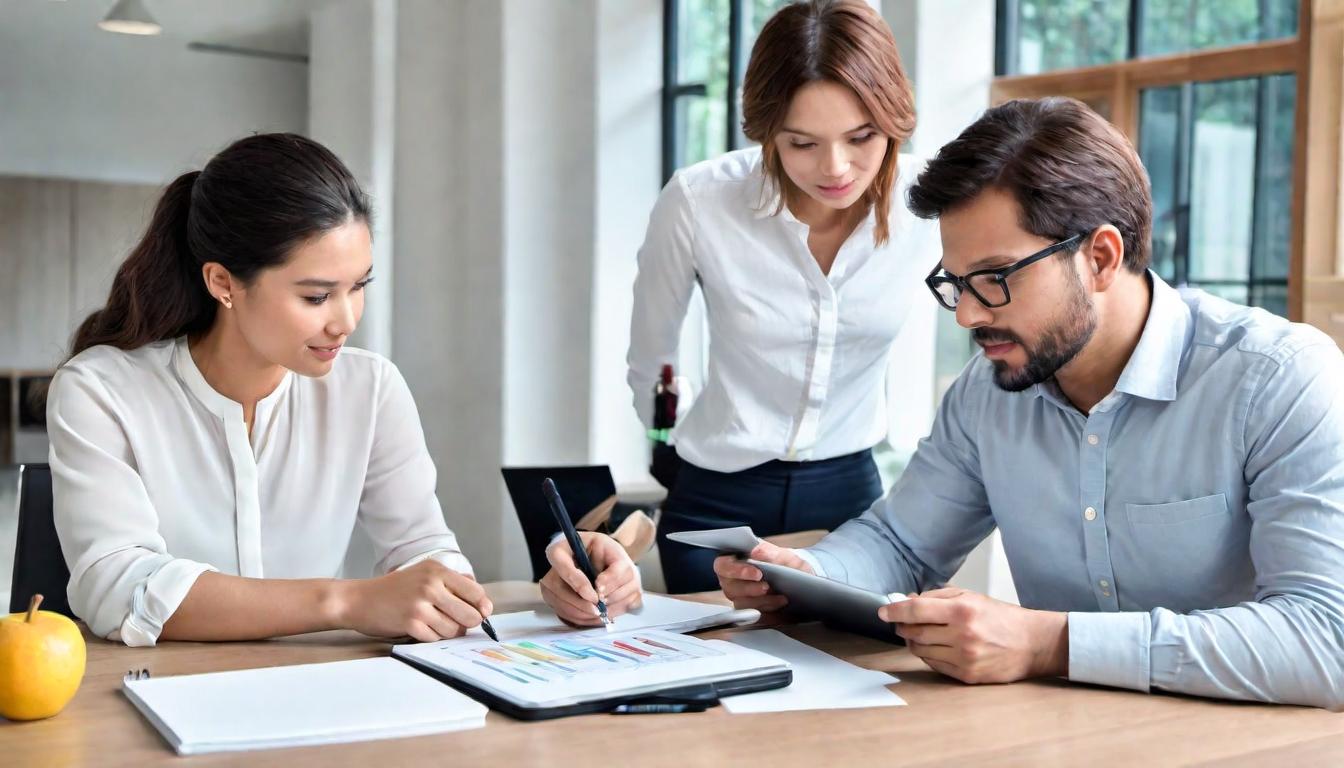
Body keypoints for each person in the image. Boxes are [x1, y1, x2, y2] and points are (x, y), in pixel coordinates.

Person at [716, 97, 1344, 709]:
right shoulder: (989, 393)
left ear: (1099, 258)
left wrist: (1050, 642)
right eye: (956, 283)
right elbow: (903, 546)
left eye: (994, 279)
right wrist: (807, 575)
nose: (965, 313)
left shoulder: (1278, 380)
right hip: (1056, 738)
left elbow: (1328, 640)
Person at [48, 132, 638, 645]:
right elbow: (116, 585)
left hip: (320, 698)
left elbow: (422, 549)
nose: (346, 320)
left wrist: (551, 586)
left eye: (359, 286)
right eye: (316, 296)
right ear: (223, 283)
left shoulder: (371, 389)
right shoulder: (100, 390)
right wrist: (348, 602)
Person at [629, 0, 938, 593]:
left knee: (858, 676)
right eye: (802, 143)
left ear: (892, 122)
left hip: (850, 499)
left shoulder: (926, 206)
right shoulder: (700, 201)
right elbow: (652, 355)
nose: (836, 167)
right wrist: (663, 441)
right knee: (717, 673)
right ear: (768, 130)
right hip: (716, 498)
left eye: (861, 137)